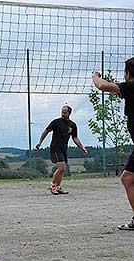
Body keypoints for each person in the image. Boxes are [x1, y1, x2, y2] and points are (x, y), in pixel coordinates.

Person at [92, 57, 134, 230]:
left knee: (127, 178)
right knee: (128, 178)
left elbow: (102, 86)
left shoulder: (132, 86)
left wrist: (95, 76)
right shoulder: (130, 90)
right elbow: (119, 92)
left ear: (128, 73)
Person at [35, 105, 88, 195]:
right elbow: (46, 131)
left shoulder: (72, 125)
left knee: (62, 170)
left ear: (69, 113)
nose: (63, 114)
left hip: (64, 148)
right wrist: (40, 142)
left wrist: (82, 147)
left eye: (65, 112)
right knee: (61, 168)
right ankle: (53, 186)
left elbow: (75, 138)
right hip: (55, 147)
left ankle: (58, 187)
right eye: (62, 112)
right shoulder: (56, 122)